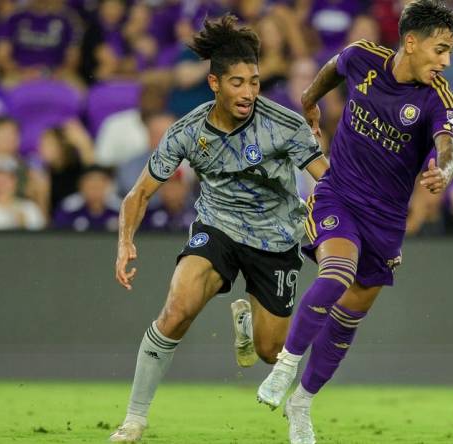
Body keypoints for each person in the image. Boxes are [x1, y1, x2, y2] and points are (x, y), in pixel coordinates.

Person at [108, 15, 328, 442]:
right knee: (177, 310)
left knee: (269, 353)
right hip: (218, 228)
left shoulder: (283, 124)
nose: (248, 93)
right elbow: (138, 195)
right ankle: (134, 419)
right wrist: (124, 243)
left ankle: (247, 324)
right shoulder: (188, 132)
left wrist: (339, 229)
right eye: (238, 83)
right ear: (214, 84)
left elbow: (329, 179)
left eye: (255, 82)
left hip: (277, 238)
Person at [256, 2, 453, 443]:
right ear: (411, 42)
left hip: (386, 223)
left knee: (351, 314)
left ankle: (302, 403)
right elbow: (333, 67)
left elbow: (447, 142)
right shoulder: (363, 56)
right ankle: (284, 367)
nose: (445, 61)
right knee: (338, 271)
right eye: (440, 50)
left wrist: (444, 169)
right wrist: (309, 101)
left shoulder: (436, 97)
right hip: (338, 195)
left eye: (450, 53)